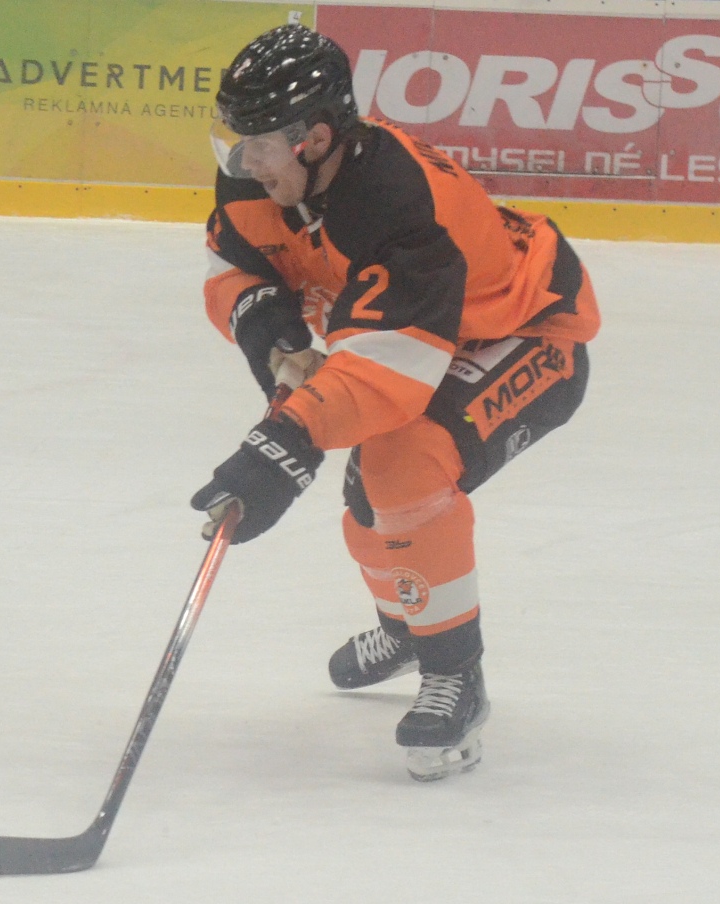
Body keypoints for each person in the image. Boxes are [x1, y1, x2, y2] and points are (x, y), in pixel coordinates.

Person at [191, 24, 599, 781]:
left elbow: (390, 368)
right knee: (369, 500)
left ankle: (455, 674)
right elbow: (232, 269)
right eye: (237, 141)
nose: (244, 161)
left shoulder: (396, 200)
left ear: (315, 139)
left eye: (259, 144)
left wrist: (284, 443)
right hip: (426, 335)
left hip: (524, 332)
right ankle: (411, 623)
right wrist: (279, 344)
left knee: (403, 464)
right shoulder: (261, 175)